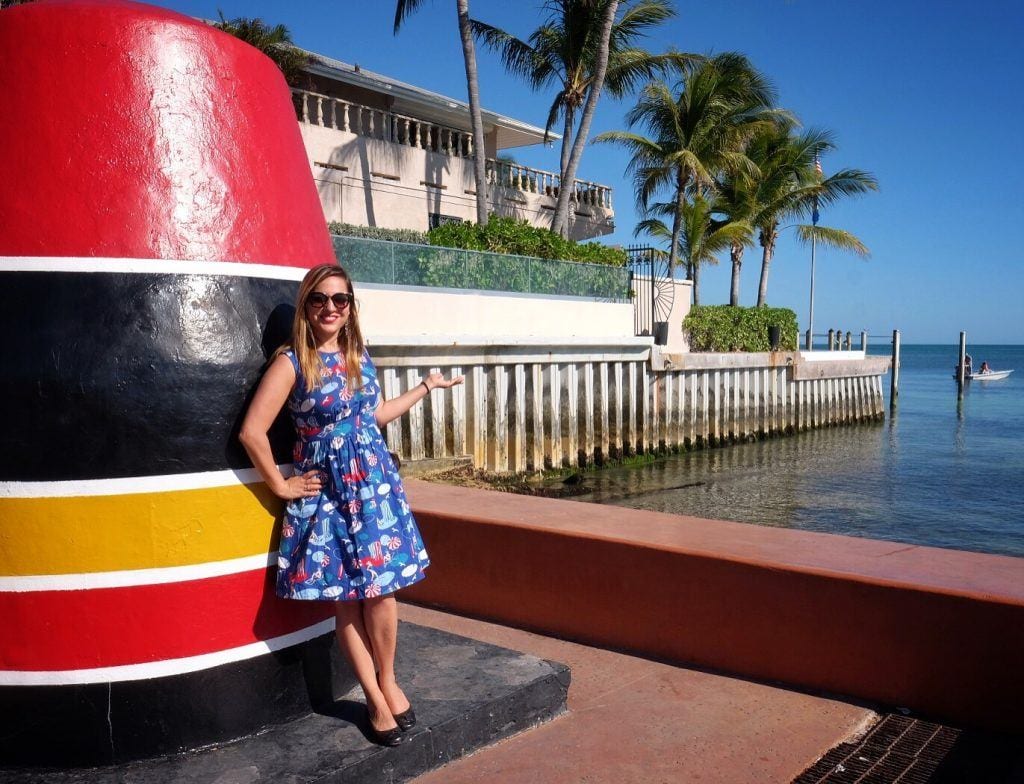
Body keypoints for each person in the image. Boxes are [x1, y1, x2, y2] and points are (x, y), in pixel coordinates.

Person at [239, 263, 463, 746]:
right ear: (306, 306)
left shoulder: (360, 354)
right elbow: (252, 432)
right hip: (330, 498)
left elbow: (373, 416)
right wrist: (281, 485)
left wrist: (425, 388)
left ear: (350, 307)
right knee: (347, 600)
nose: (330, 308)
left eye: (340, 300)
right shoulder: (292, 362)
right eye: (319, 299)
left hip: (374, 489)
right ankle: (373, 698)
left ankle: (388, 680)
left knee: (382, 592)